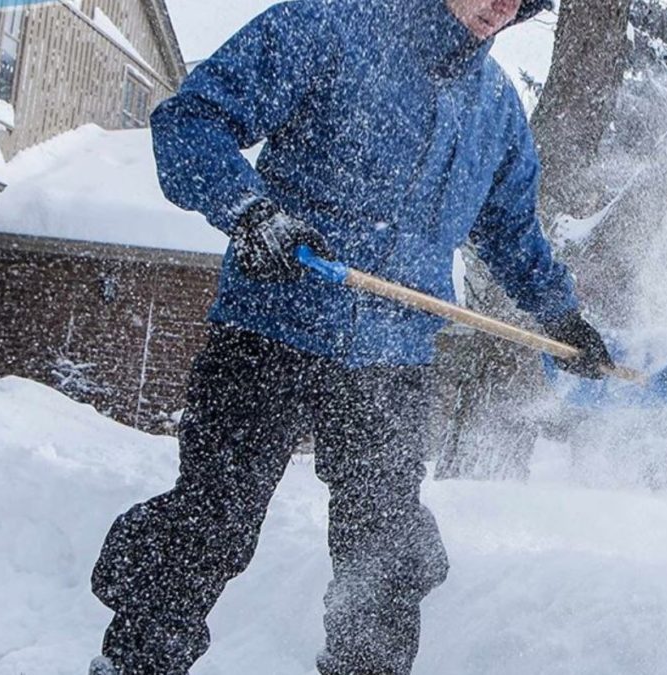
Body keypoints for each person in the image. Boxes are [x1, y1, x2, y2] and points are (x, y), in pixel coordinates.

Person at [88, 0, 613, 673]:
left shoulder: (495, 109)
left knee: (386, 550)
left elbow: (512, 233)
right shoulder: (329, 28)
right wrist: (251, 212)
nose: (502, 6)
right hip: (269, 329)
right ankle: (137, 663)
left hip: (392, 360)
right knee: (213, 521)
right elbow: (191, 123)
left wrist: (561, 316)